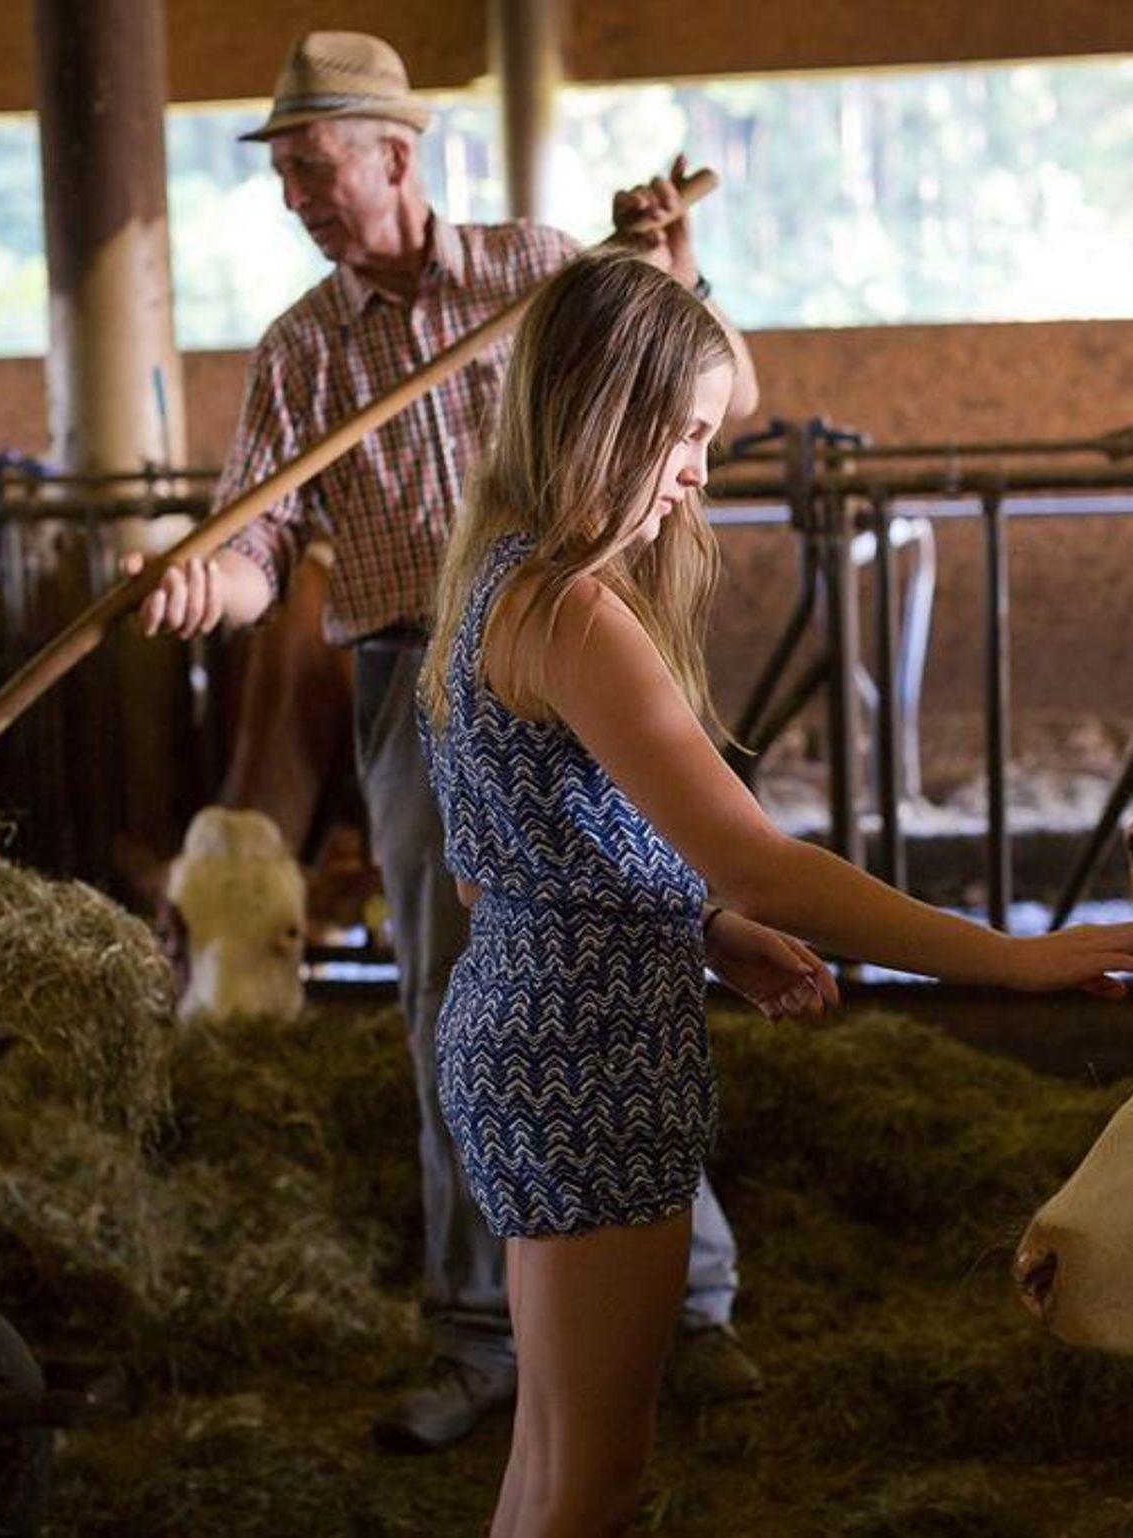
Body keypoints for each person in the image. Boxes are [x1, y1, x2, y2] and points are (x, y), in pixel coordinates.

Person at [421, 250, 1133, 1537]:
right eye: (684, 435)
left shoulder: (488, 583)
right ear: (607, 416)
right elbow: (765, 861)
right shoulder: (574, 613)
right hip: (589, 1054)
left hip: (518, 1027)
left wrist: (702, 931)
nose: (696, 472)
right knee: (593, 1476)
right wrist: (1010, 956)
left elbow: (496, 864)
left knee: (546, 1456)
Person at [127, 29, 785, 1453]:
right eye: (284, 173)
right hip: (414, 681)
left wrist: (675, 278)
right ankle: (482, 1332)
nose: (296, 195)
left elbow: (717, 394)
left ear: (396, 154)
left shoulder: (535, 271)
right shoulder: (301, 349)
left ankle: (689, 1306)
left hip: (580, 645)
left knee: (639, 947)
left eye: (314, 165)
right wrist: (198, 587)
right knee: (454, 994)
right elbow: (258, 548)